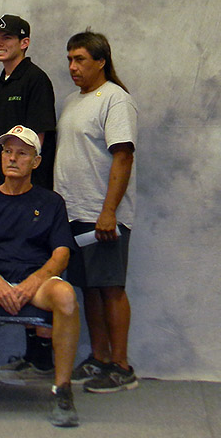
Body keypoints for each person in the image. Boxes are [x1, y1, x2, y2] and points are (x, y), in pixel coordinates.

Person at [0, 124, 81, 426]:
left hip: (36, 283)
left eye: (21, 153)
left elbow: (61, 254)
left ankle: (62, 391)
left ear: (36, 161)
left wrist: (30, 285)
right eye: (7, 152)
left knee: (66, 296)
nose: (12, 158)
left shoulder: (51, 202)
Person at [55, 30, 139, 393]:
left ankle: (121, 367)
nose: (73, 66)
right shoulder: (74, 100)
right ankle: (100, 357)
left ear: (101, 61)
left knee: (111, 289)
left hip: (102, 214)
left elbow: (123, 155)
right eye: (70, 59)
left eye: (81, 59)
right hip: (73, 213)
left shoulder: (116, 99)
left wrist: (109, 211)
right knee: (88, 287)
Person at [0, 15, 58, 380]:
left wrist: (22, 176)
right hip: (6, 193)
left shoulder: (36, 79)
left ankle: (45, 355)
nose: (1, 42)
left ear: (25, 42)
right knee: (13, 260)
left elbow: (37, 135)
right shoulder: (1, 86)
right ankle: (32, 353)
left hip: (34, 193)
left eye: (8, 37)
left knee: (36, 261)